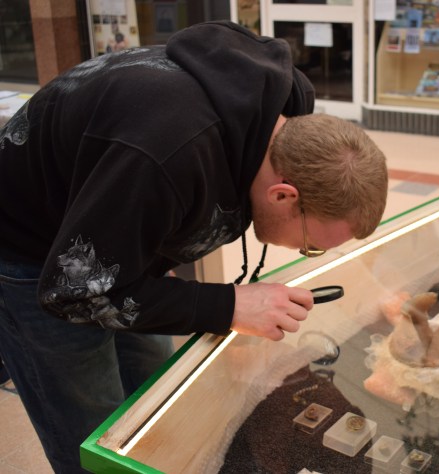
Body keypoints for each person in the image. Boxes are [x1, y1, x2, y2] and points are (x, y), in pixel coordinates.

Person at [0, 21, 388, 473]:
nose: (306, 254)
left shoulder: (279, 125)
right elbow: (73, 293)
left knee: (156, 397)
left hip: (115, 233)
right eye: (310, 246)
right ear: (283, 195)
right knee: (94, 431)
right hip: (31, 252)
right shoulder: (162, 156)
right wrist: (225, 305)